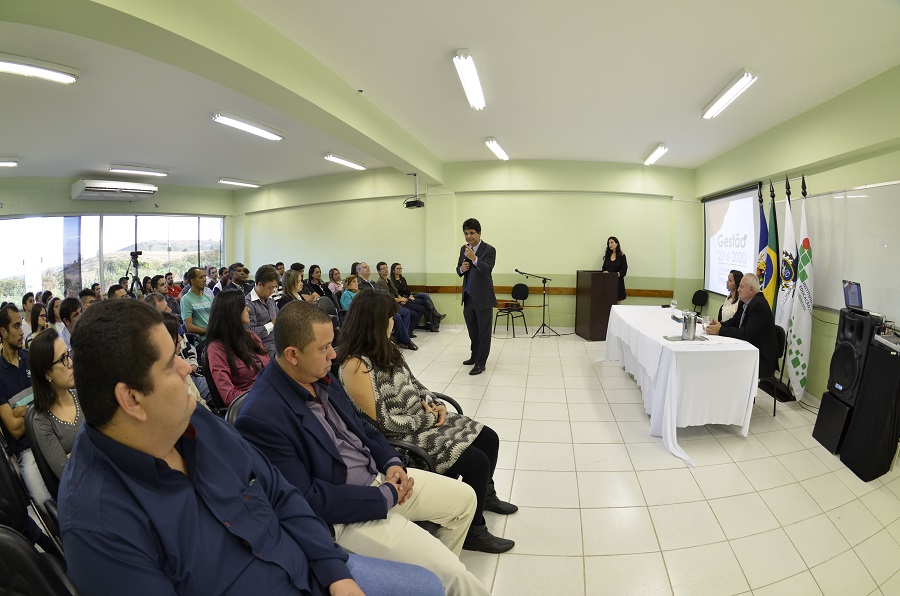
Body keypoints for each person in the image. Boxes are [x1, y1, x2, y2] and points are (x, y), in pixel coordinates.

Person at [60, 298, 443, 596]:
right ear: (131, 399)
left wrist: (334, 573)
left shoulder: (194, 421)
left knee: (430, 587)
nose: (187, 368)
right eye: (171, 362)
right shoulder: (99, 522)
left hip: (309, 569)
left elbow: (280, 491)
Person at [235, 300, 490, 596]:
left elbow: (364, 427)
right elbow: (305, 499)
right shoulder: (262, 415)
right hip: (348, 514)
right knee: (457, 577)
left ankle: (428, 579)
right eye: (324, 348)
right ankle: (441, 578)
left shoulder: (319, 376)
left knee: (465, 500)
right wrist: (385, 495)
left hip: (381, 480)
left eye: (333, 344)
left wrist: (393, 461)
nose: (334, 354)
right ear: (292, 354)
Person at [338, 290, 517, 553]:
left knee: (489, 437)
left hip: (422, 420)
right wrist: (428, 419)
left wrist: (436, 403)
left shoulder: (386, 348)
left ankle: (485, 496)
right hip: (401, 438)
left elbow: (416, 385)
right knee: (476, 461)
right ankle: (474, 531)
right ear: (375, 321)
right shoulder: (355, 366)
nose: (395, 322)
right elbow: (382, 424)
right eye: (390, 318)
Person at [0, 305, 53, 511]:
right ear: (3, 332)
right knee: (42, 502)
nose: (22, 331)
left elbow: (51, 397)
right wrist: (38, 404)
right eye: (15, 326)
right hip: (26, 450)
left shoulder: (31, 357)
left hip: (50, 434)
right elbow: (13, 428)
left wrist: (22, 410)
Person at [28, 329, 82, 480]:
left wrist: (74, 455)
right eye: (63, 359)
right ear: (47, 374)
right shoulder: (42, 421)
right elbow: (66, 474)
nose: (70, 363)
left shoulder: (82, 396)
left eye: (68, 354)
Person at [707, 272, 778, 378]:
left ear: (750, 290)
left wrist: (720, 330)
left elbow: (747, 333)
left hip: (761, 357)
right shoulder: (744, 302)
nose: (738, 289)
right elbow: (733, 322)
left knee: (724, 363)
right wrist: (719, 324)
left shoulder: (759, 305)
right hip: (748, 349)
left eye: (741, 286)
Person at [205, 290, 270, 405]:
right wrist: (262, 396)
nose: (248, 309)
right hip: (251, 404)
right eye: (244, 306)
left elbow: (269, 367)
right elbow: (229, 396)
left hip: (269, 392)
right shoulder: (216, 349)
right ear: (233, 312)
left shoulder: (250, 335)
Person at [456, 218, 496, 376]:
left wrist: (475, 259)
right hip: (468, 297)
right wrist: (461, 268)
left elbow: (487, 270)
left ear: (479, 233)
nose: (468, 236)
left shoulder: (489, 249)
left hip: (483, 298)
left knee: (483, 332)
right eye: (466, 233)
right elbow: (458, 270)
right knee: (473, 331)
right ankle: (474, 355)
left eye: (472, 233)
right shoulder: (463, 249)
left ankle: (481, 363)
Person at [391, 262, 445, 331]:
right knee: (425, 303)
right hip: (403, 299)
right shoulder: (392, 281)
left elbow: (407, 290)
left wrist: (410, 295)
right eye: (398, 268)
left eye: (400, 268)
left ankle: (434, 315)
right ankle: (432, 321)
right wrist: (406, 298)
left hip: (409, 296)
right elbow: (396, 294)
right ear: (393, 270)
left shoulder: (402, 279)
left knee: (425, 295)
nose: (400, 270)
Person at [376, 261, 425, 335]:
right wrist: (400, 300)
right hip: (391, 304)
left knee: (423, 302)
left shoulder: (388, 281)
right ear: (379, 271)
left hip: (398, 301)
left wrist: (401, 298)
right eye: (383, 268)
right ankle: (404, 334)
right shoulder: (380, 282)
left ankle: (407, 332)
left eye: (386, 267)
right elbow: (387, 297)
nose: (386, 269)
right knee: (410, 313)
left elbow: (396, 292)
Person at [246, 265, 279, 358]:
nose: (272, 291)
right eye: (270, 288)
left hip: (278, 342)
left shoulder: (270, 299)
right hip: (263, 348)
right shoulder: (248, 304)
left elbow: (279, 318)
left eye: (274, 288)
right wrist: (271, 325)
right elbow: (249, 333)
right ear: (260, 284)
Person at [180, 267, 213, 338]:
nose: (204, 280)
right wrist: (209, 331)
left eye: (205, 277)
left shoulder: (208, 298)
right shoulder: (186, 299)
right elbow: (189, 327)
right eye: (201, 277)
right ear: (192, 281)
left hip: (214, 335)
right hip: (203, 339)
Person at [601, 236, 628, 303]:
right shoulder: (607, 256)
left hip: (618, 284)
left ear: (617, 243)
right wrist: (605, 272)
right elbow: (603, 268)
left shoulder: (622, 256)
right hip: (607, 284)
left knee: (617, 306)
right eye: (608, 243)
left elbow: (623, 271)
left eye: (612, 242)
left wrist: (614, 274)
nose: (610, 244)